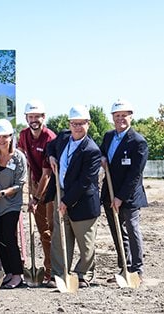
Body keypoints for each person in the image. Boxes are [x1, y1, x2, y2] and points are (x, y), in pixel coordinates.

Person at [46, 105, 101, 289]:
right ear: (69, 124)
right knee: (60, 240)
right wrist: (52, 156)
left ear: (88, 124)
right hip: (60, 194)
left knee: (85, 243)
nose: (77, 127)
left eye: (81, 123)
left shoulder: (91, 150)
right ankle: (58, 273)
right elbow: (49, 146)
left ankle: (83, 274)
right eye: (74, 123)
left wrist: (66, 202)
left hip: (82, 202)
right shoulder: (62, 137)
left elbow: (84, 182)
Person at [100, 99, 148, 283]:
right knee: (117, 231)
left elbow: (135, 175)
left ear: (131, 117)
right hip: (109, 194)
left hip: (129, 196)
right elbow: (101, 153)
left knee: (132, 229)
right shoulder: (108, 136)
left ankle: (138, 269)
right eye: (117, 115)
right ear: (112, 117)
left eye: (124, 115)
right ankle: (124, 268)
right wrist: (102, 157)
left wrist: (120, 197)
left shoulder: (138, 142)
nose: (120, 119)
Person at [0, 119, 27, 289]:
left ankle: (17, 274)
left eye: (5, 136)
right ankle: (8, 271)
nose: (1, 140)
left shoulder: (18, 157)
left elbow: (19, 184)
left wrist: (1, 193)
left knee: (9, 236)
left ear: (11, 137)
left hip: (11, 204)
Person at [17, 99, 56, 282]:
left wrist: (36, 197)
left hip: (50, 189)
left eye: (37, 116)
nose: (34, 119)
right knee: (41, 230)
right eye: (30, 116)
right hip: (34, 184)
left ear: (43, 117)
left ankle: (52, 270)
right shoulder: (24, 135)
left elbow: (47, 174)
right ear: (26, 117)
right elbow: (19, 156)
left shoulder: (49, 137)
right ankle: (47, 269)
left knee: (50, 230)